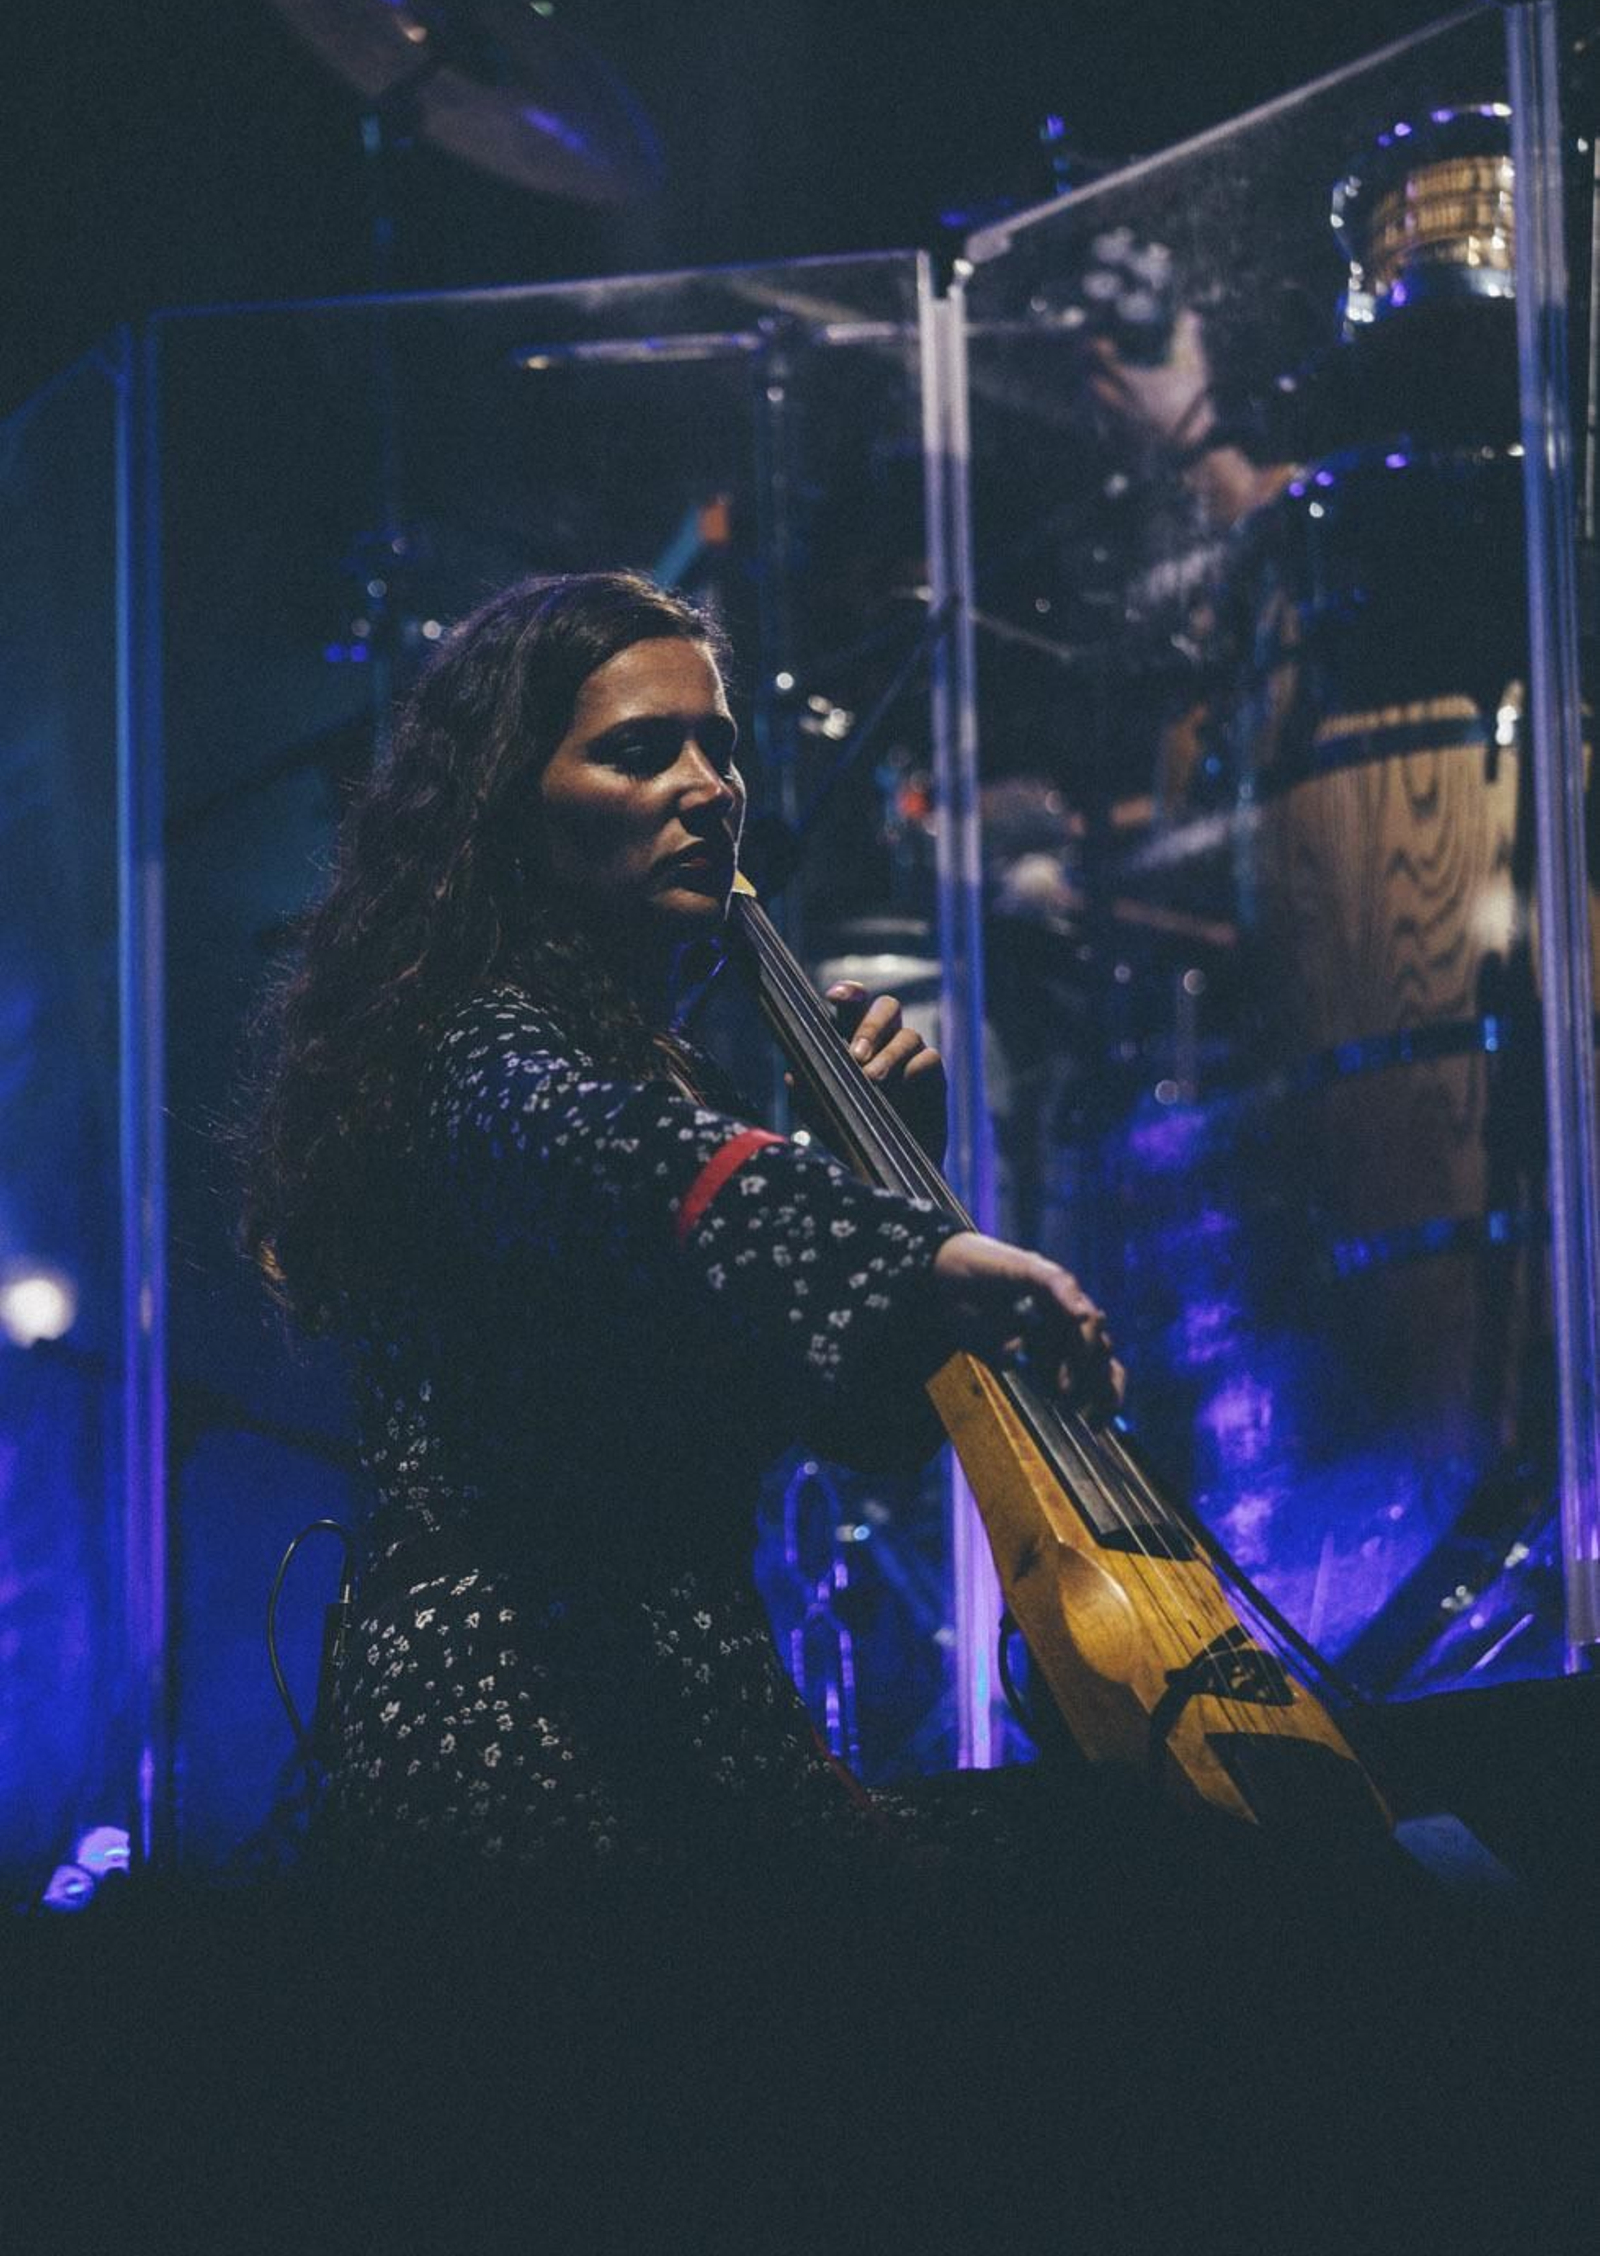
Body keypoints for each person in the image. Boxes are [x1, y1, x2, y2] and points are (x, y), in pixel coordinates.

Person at [241, 568, 1122, 1884]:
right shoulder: (463, 1045)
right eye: (640, 754)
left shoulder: (670, 1084)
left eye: (719, 748)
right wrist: (904, 1247)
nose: (710, 788)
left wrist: (898, 1180)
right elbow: (597, 1151)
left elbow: (857, 1420)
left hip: (696, 1718)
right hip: (527, 1730)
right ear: (505, 808)